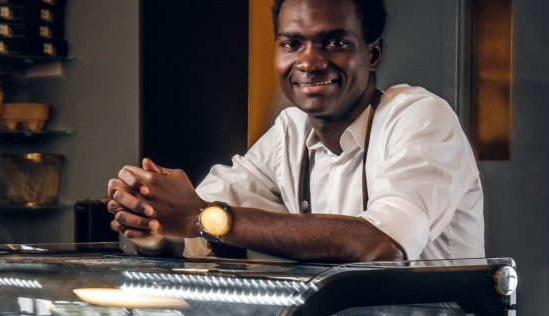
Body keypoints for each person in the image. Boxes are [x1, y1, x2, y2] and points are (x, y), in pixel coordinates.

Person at [107, 0, 484, 265]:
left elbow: (383, 246)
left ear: (372, 55)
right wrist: (151, 219)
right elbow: (194, 227)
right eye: (292, 43)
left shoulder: (419, 116)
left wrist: (202, 217)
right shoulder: (290, 131)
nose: (309, 62)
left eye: (334, 42)